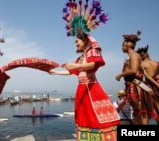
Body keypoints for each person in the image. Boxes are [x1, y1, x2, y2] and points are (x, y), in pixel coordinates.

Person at [50, 1, 120, 140]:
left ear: (84, 40)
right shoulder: (80, 57)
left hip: (91, 87)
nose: (76, 44)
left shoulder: (91, 51)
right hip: (82, 88)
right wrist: (56, 72)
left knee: (95, 116)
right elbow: (71, 72)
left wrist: (76, 66)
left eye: (77, 41)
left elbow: (93, 65)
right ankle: (85, 137)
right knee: (83, 115)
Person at [115, 31, 153, 125]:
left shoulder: (134, 55)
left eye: (123, 45)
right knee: (138, 110)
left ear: (127, 45)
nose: (122, 47)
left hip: (134, 85)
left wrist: (120, 75)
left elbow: (134, 70)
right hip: (131, 84)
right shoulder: (131, 56)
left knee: (140, 110)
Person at [136, 45, 159, 124]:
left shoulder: (142, 64)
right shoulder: (156, 62)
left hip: (152, 86)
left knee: (155, 108)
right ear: (147, 53)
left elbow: (145, 78)